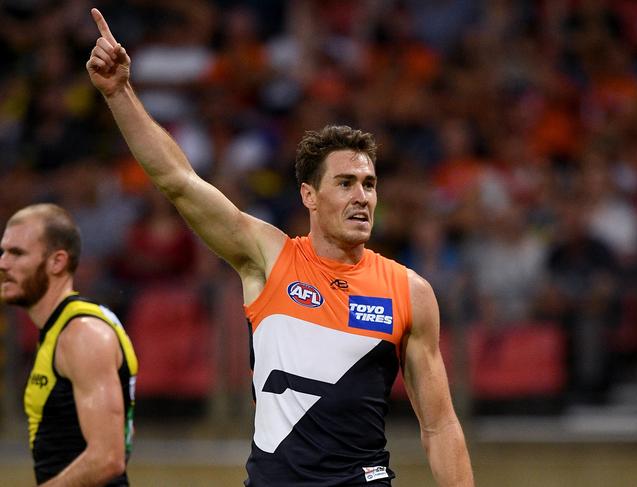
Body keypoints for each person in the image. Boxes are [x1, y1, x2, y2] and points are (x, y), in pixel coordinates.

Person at [86, 7, 473, 487]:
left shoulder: (409, 291)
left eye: (369, 184)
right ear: (309, 195)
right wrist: (119, 93)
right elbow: (178, 181)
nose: (362, 197)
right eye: (346, 183)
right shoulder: (270, 258)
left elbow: (440, 425)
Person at [0, 203, 138, 486]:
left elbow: (108, 458)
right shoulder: (62, 328)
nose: (3, 263)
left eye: (17, 253)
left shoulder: (82, 335)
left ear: (57, 262)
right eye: (3, 251)